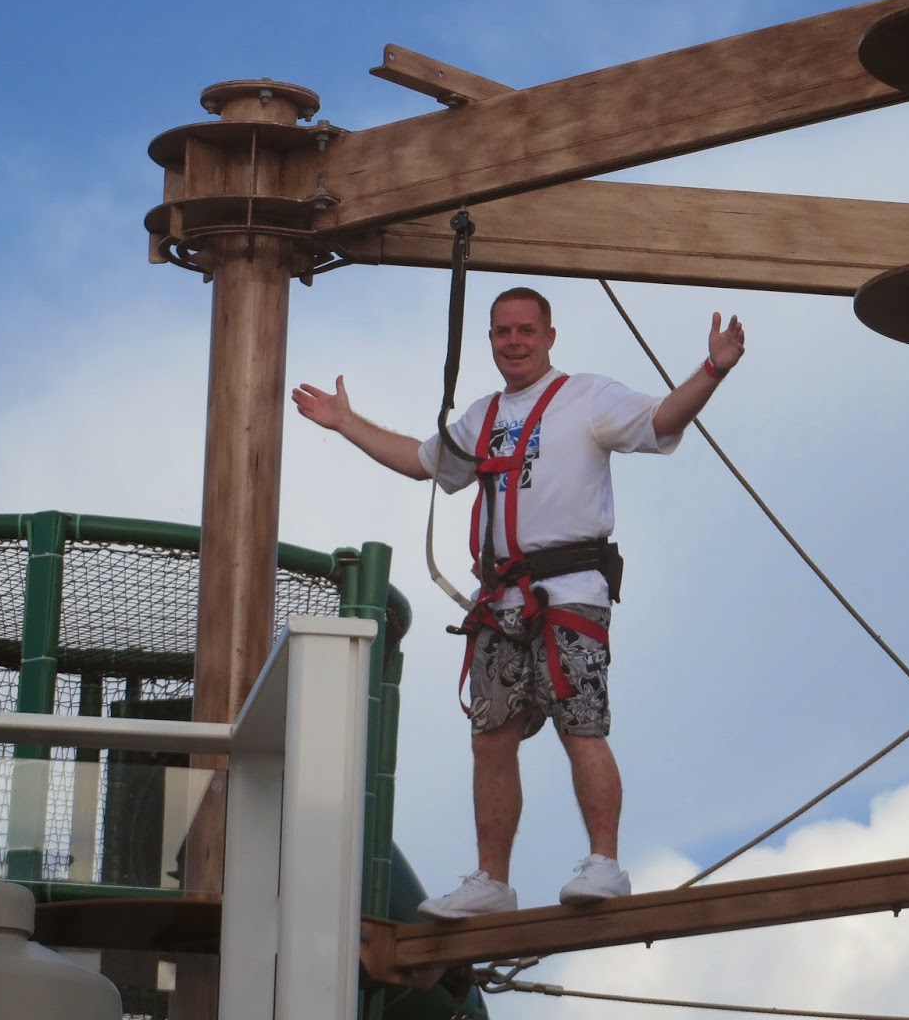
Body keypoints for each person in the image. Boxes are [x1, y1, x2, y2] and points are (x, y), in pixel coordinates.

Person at [292, 286, 744, 919]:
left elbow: (661, 420)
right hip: (500, 601)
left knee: (580, 723)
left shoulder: (587, 397)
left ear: (549, 336)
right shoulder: (482, 416)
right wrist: (347, 423)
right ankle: (492, 881)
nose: (515, 342)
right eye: (503, 332)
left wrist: (713, 369)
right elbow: (423, 463)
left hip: (570, 594)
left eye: (527, 330)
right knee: (491, 738)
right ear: (491, 340)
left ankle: (604, 863)